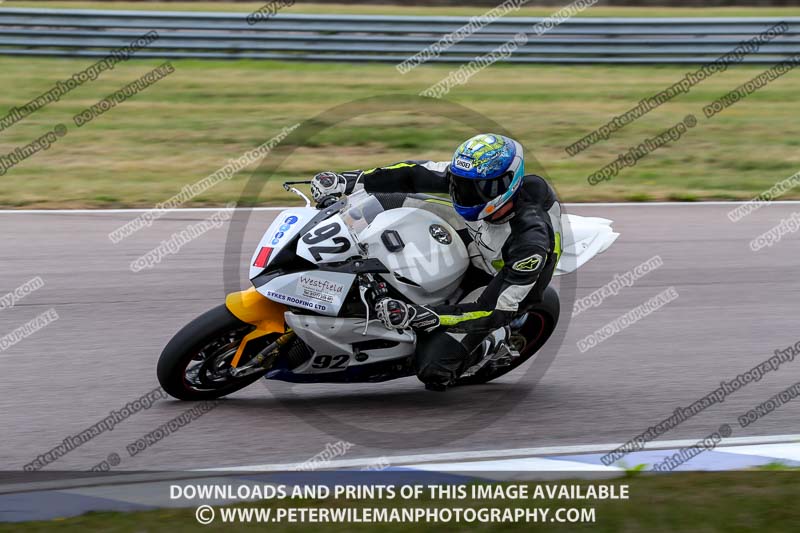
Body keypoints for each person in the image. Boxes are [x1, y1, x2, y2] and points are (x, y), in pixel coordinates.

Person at [310, 133, 562, 391]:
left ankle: (495, 342)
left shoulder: (530, 242)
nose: (461, 192)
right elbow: (413, 173)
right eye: (459, 183)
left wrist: (422, 316)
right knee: (390, 198)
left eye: (473, 188)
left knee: (434, 370)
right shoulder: (469, 180)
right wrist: (349, 180)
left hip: (496, 280)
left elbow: (493, 309)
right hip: (476, 235)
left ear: (506, 185)